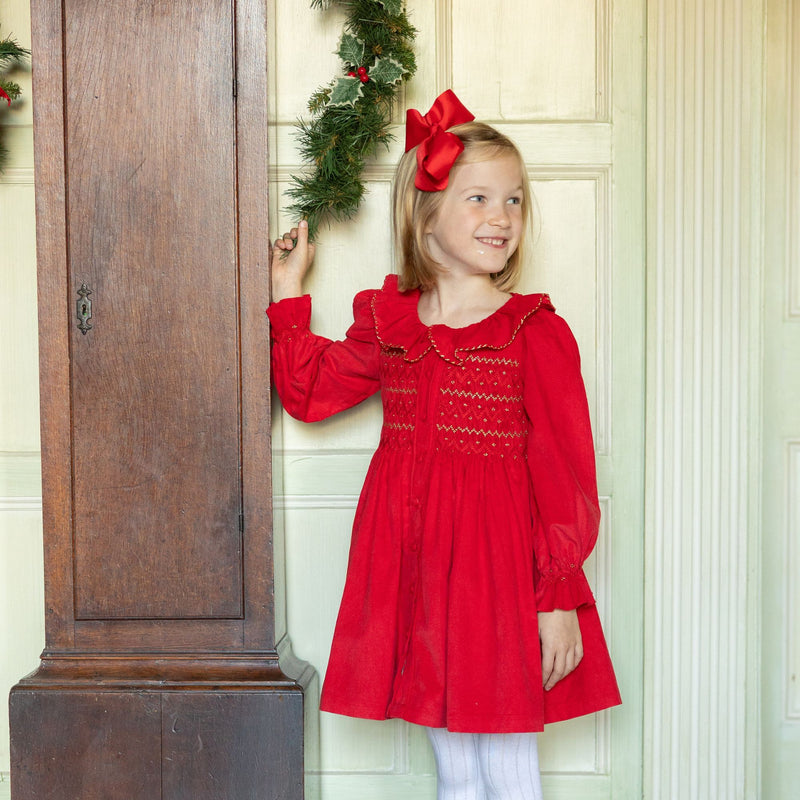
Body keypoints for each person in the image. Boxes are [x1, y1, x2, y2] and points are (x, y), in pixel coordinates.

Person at [268, 90, 621, 800]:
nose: (502, 217)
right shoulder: (391, 317)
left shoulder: (533, 332)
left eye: (515, 201)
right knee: (455, 767)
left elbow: (565, 472)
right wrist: (287, 291)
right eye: (480, 198)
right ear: (424, 214)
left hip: (497, 575)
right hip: (412, 563)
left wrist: (556, 599)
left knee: (507, 764)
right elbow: (314, 392)